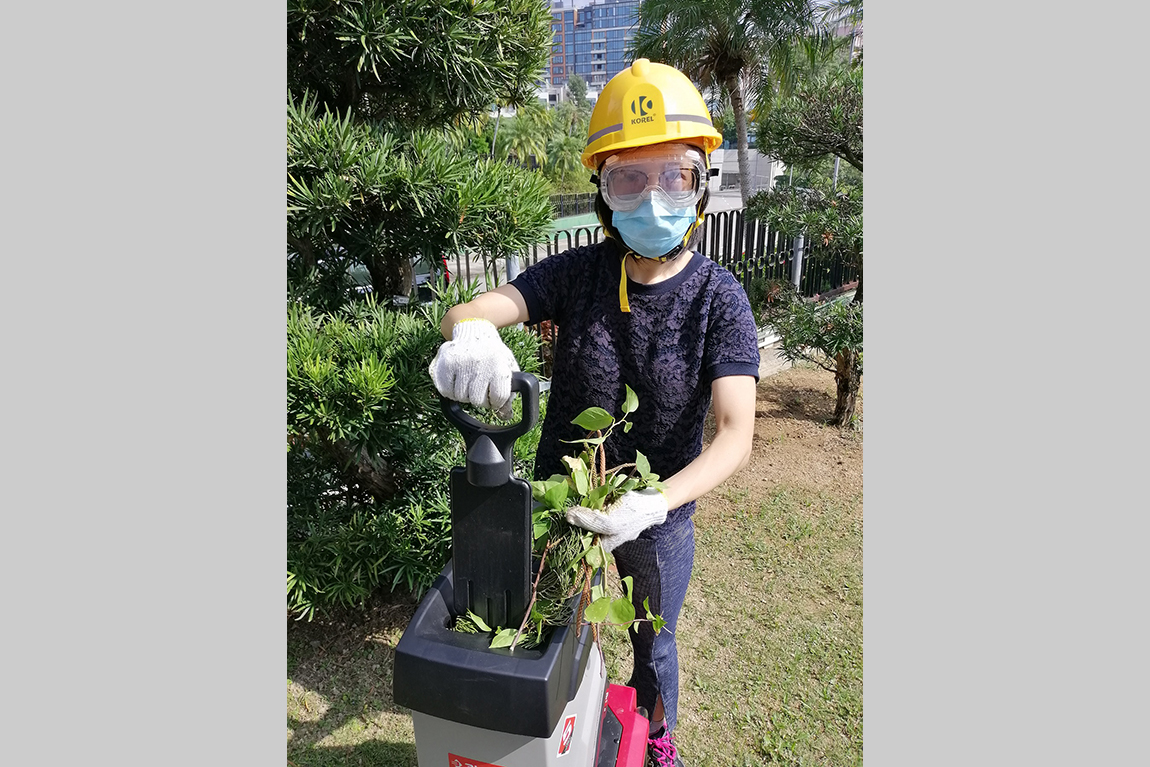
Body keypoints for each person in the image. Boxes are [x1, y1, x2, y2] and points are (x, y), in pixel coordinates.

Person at [428, 59, 760, 767]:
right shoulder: (578, 272)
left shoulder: (718, 298)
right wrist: (471, 329)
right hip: (558, 502)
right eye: (627, 179)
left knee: (651, 636)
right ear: (603, 192)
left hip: (654, 515)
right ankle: (559, 730)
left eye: (671, 174)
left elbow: (736, 435)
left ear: (702, 180)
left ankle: (657, 737)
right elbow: (485, 304)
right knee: (549, 621)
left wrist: (653, 501)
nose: (651, 197)